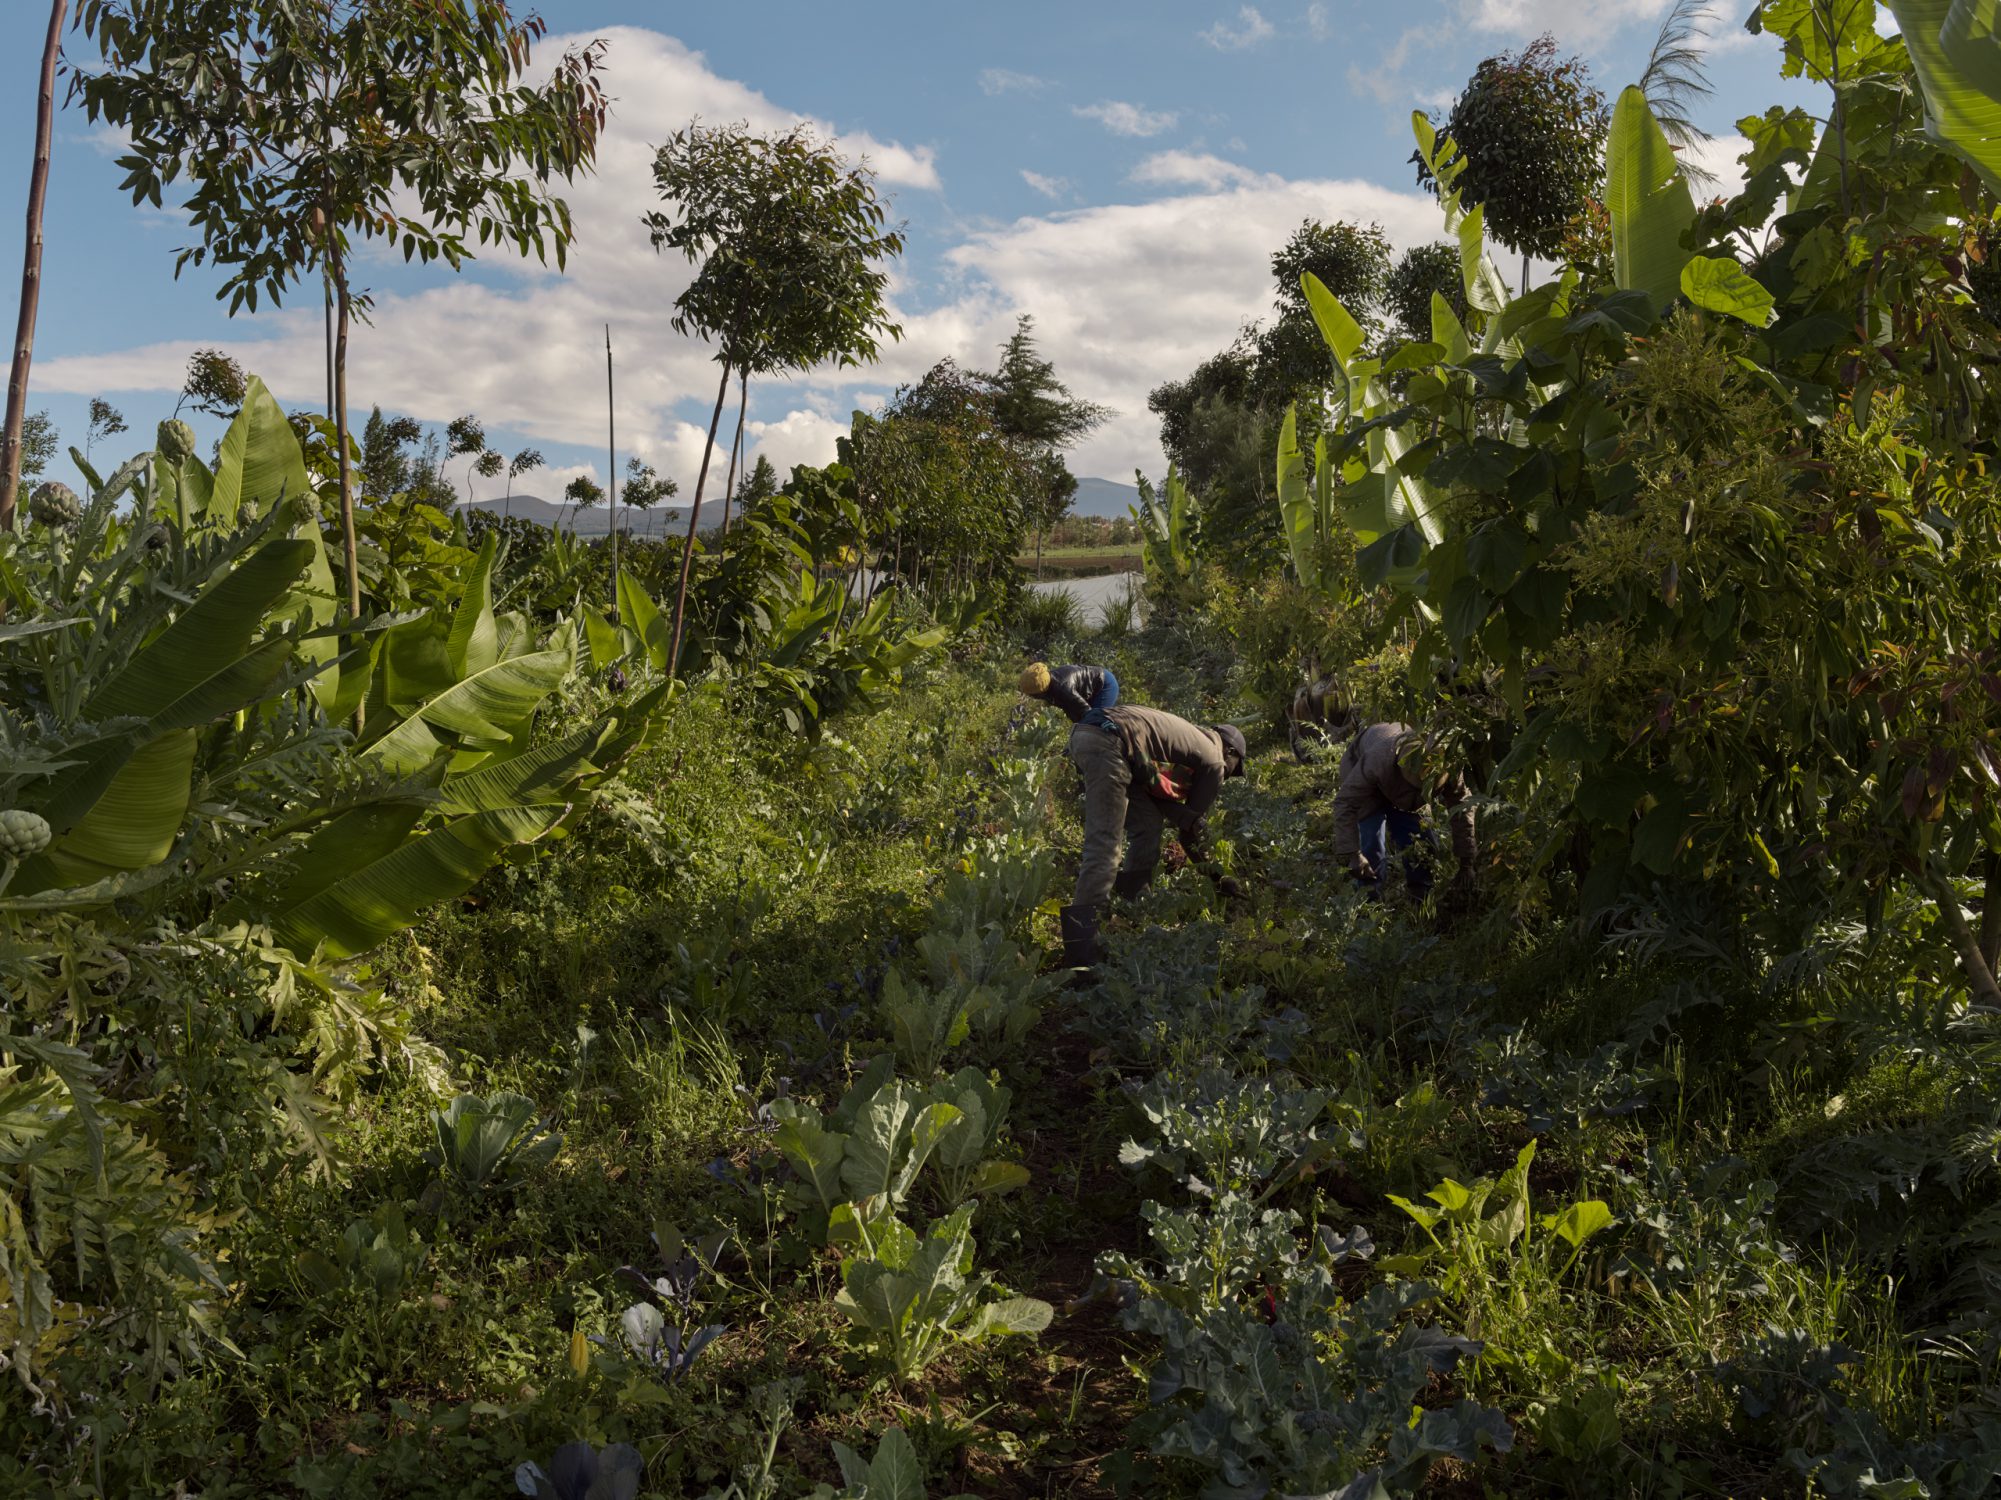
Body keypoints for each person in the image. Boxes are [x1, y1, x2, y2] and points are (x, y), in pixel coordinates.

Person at [1060, 705, 1248, 968]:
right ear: (1230, 751)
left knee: (1148, 825)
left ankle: (1132, 911)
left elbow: (1160, 804)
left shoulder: (1187, 741)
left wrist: (1186, 818)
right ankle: (1082, 959)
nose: (1227, 776)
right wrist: (1218, 878)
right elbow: (1190, 835)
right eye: (1234, 768)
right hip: (1108, 742)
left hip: (1092, 734)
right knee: (1104, 848)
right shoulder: (1215, 760)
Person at [1330, 720, 1476, 900]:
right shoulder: (1378, 760)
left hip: (1403, 794)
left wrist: (1466, 862)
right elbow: (1345, 803)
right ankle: (1368, 905)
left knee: (1421, 843)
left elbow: (1462, 807)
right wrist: (1353, 853)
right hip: (1362, 772)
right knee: (1371, 844)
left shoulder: (1448, 766)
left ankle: (1421, 897)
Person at [1019, 661, 1118, 726]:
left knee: (1094, 725)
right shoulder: (1048, 682)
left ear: (1040, 692)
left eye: (1032, 695)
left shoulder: (1064, 689)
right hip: (1088, 690)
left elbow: (1087, 712)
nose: (1030, 696)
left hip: (1105, 684)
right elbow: (1071, 710)